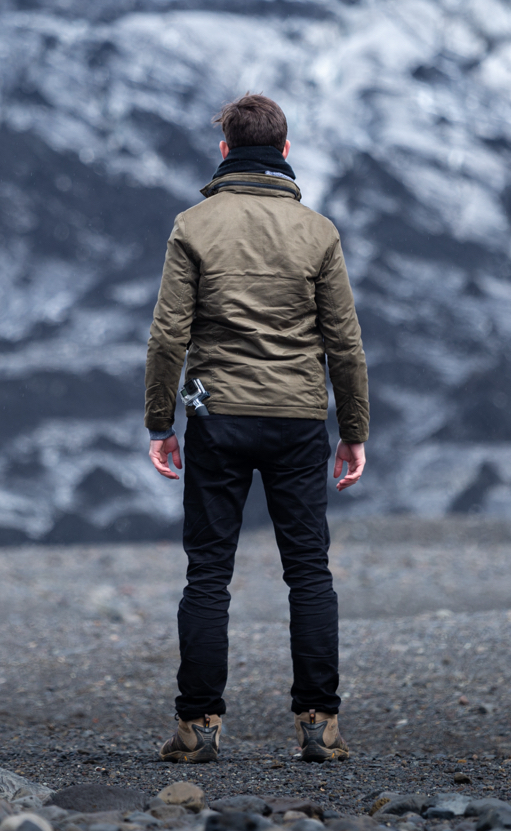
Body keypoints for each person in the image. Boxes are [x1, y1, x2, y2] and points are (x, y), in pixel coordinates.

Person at [144, 92, 370, 765]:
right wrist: (353, 430)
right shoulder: (319, 232)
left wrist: (162, 421)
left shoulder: (193, 225)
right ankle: (319, 726)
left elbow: (167, 339)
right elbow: (346, 345)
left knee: (208, 576)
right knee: (309, 574)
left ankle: (199, 727)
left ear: (224, 152)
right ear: (286, 152)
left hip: (217, 419)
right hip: (300, 421)